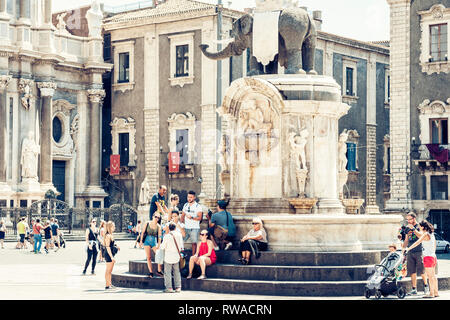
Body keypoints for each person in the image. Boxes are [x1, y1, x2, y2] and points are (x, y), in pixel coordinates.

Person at [405, 220, 439, 298]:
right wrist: (432, 253)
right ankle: (436, 292)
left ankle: (431, 294)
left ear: (423, 227)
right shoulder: (432, 234)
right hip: (433, 257)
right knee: (433, 276)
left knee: (430, 276)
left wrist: (408, 248)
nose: (419, 228)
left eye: (420, 227)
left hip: (428, 257)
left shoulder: (425, 234)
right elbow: (434, 246)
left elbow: (417, 242)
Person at [401, 212, 429, 296]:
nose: (408, 221)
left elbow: (421, 235)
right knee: (412, 271)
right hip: (410, 251)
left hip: (419, 251)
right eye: (407, 219)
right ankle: (414, 289)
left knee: (422, 270)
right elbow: (406, 239)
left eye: (410, 219)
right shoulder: (407, 228)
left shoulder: (419, 226)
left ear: (414, 218)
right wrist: (403, 248)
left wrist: (413, 229)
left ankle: (426, 286)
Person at [161, 223, 184, 293]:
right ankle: (178, 287)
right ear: (175, 227)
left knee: (167, 272)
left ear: (169, 228)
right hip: (176, 256)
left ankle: (169, 288)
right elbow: (181, 247)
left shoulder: (166, 236)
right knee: (177, 271)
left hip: (168, 256)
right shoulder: (179, 235)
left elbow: (162, 247)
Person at [140, 213, 163, 277]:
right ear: (153, 216)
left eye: (158, 218)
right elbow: (143, 232)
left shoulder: (158, 226)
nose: (157, 219)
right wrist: (141, 241)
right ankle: (151, 272)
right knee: (148, 257)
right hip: (147, 241)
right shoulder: (147, 223)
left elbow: (160, 236)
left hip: (154, 241)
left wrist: (159, 244)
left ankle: (159, 270)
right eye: (156, 217)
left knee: (159, 255)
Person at [181, 191, 203, 255]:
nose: (189, 198)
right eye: (188, 197)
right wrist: (181, 224)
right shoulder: (185, 205)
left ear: (194, 197)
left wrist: (192, 217)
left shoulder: (198, 206)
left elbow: (200, 218)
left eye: (191, 197)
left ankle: (193, 257)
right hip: (186, 227)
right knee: (181, 241)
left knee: (194, 243)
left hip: (194, 228)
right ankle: (181, 256)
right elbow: (182, 216)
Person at [104, 221, 119, 290]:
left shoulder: (111, 235)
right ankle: (107, 285)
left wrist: (117, 246)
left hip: (111, 254)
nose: (114, 227)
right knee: (108, 270)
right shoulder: (107, 235)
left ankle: (109, 284)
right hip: (108, 254)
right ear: (110, 227)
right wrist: (111, 257)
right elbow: (107, 247)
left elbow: (111, 245)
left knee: (110, 271)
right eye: (113, 226)